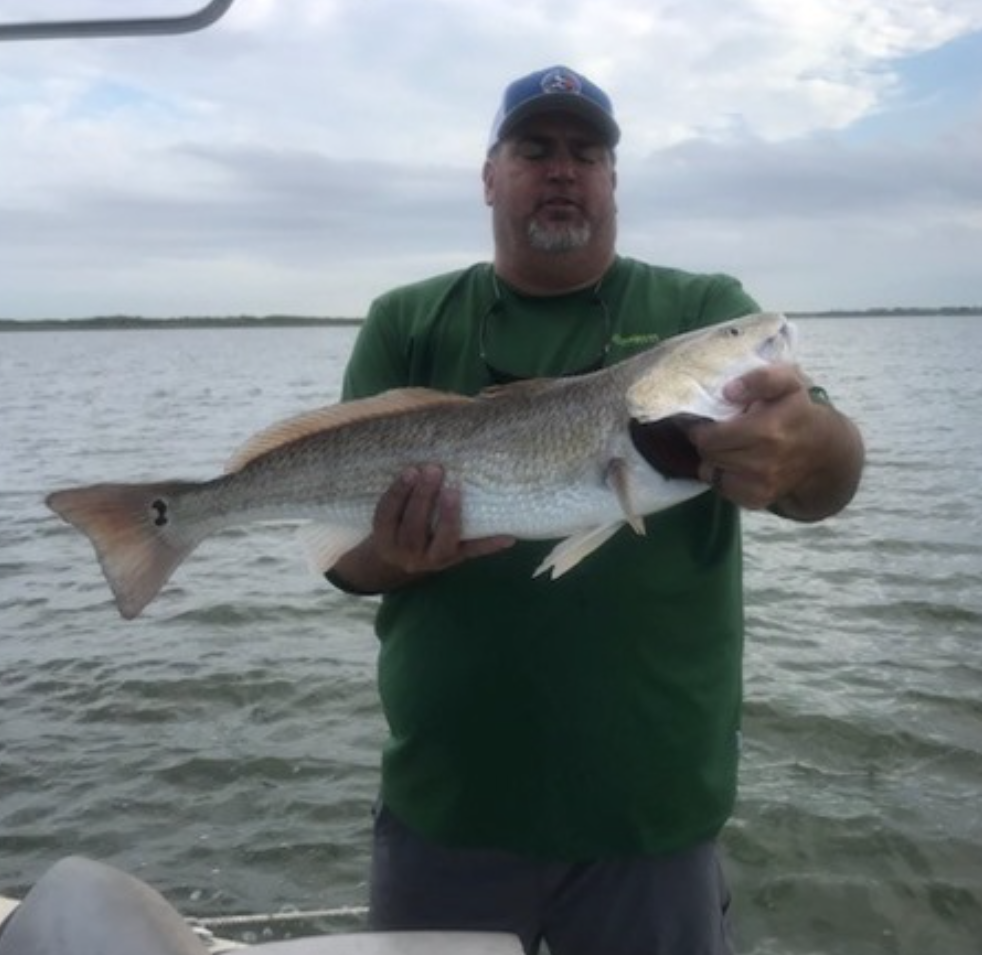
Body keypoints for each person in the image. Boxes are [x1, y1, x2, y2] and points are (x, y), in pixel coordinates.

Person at [327, 65, 864, 955]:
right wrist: (394, 553)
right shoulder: (407, 321)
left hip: (651, 814)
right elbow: (346, 561)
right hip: (447, 803)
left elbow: (826, 479)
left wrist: (809, 446)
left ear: (613, 180)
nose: (563, 169)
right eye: (534, 149)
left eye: (588, 152)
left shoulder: (699, 309)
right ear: (489, 175)